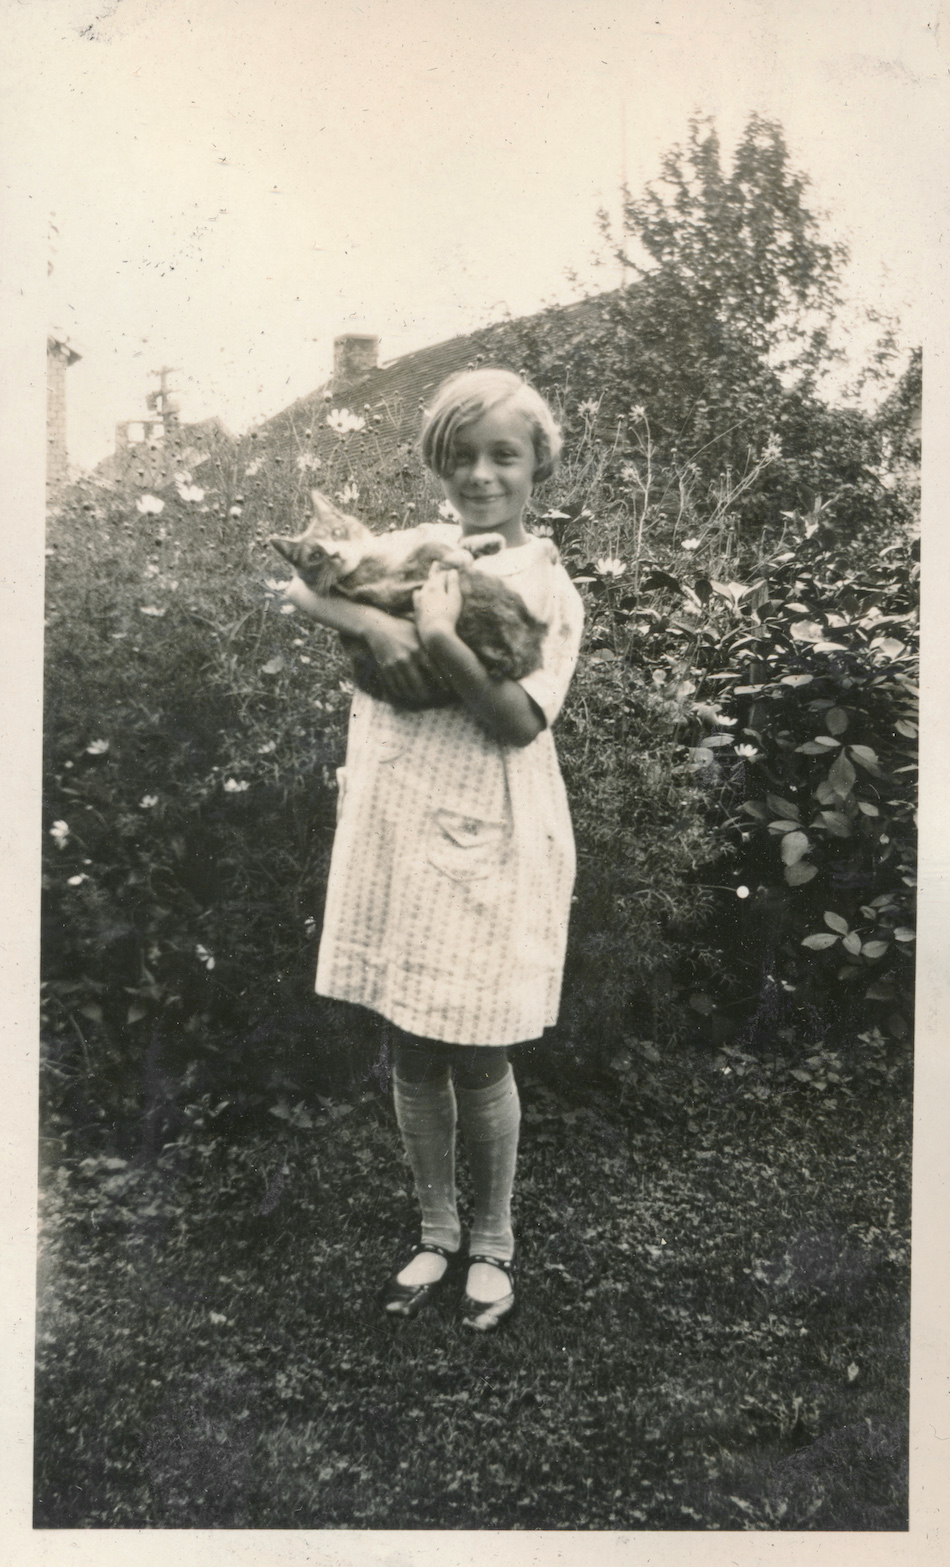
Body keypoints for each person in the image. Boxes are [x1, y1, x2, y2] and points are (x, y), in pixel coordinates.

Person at [283, 368, 584, 1332]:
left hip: (484, 828)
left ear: (540, 461)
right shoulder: (423, 548)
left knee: (475, 1036)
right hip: (399, 817)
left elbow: (514, 724)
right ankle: (434, 1227)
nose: (483, 474)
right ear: (438, 465)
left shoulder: (548, 587)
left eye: (504, 454)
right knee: (410, 1032)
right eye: (463, 456)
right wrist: (373, 617)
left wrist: (444, 640)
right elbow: (304, 587)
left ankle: (491, 1239)